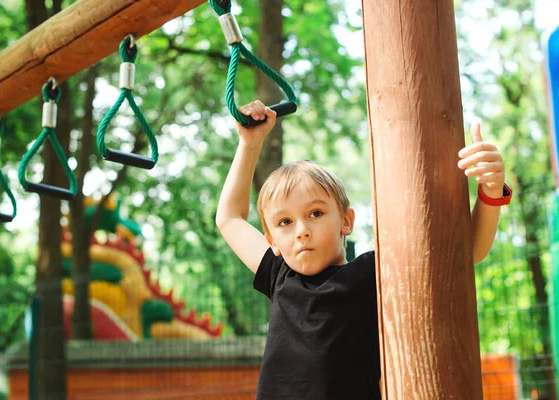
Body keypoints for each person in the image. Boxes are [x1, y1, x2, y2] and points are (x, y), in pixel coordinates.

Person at [215, 100, 509, 399]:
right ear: (272, 241)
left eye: (315, 214)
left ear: (346, 220)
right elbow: (229, 218)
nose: (301, 230)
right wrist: (250, 142)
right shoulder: (280, 274)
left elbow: (466, 252)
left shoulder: (371, 271)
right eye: (285, 222)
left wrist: (491, 190)